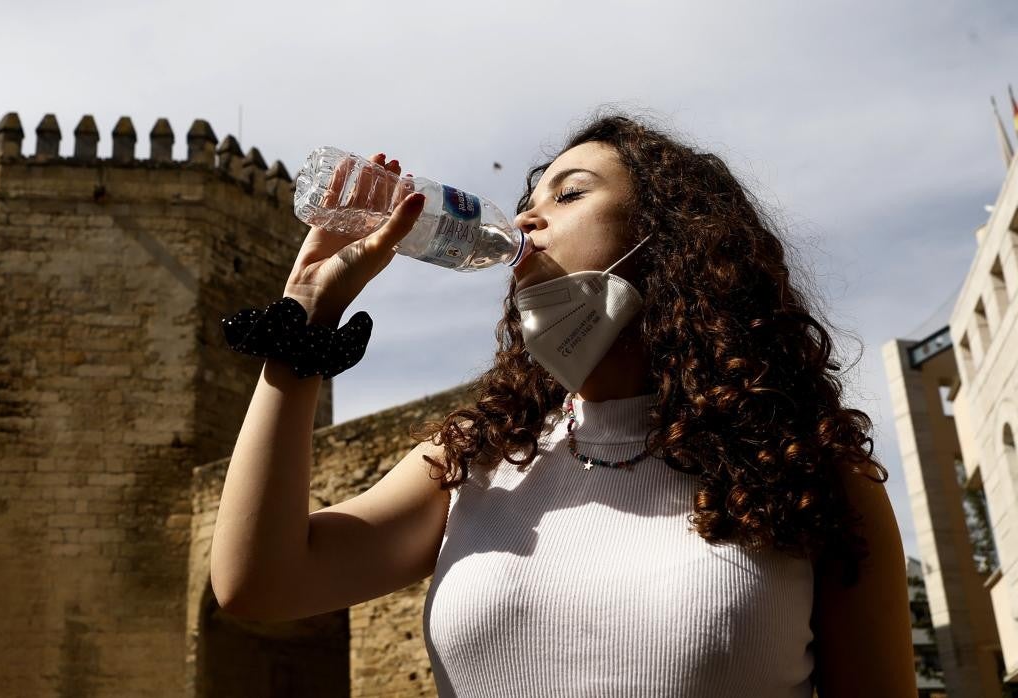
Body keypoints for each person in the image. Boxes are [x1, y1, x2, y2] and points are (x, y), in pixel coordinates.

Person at [210, 113, 916, 697]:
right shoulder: (474, 460)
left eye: (569, 195)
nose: (526, 219)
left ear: (672, 239)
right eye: (529, 200)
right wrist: (304, 318)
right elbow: (261, 583)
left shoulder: (808, 475)